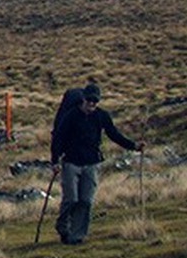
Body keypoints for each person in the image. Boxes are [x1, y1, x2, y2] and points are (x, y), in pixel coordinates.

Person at [49, 83, 143, 244]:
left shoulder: (102, 116)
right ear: (83, 99)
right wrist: (55, 161)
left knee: (85, 201)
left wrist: (133, 146)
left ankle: (76, 236)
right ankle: (63, 225)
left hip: (91, 163)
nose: (92, 104)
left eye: (95, 101)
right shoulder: (71, 115)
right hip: (71, 162)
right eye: (89, 100)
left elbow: (114, 134)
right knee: (71, 199)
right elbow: (58, 138)